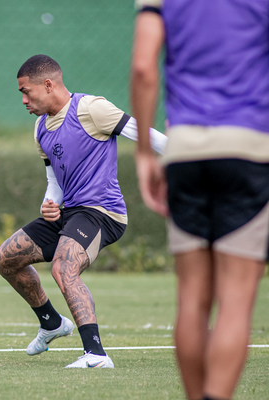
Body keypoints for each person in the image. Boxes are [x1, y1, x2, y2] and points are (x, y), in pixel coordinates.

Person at [0, 54, 166, 368]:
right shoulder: (40, 129)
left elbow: (144, 134)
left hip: (102, 212)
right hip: (68, 212)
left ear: (48, 85)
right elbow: (54, 180)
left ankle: (96, 355)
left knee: (63, 268)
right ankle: (51, 323)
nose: (23, 100)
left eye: (25, 91)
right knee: (4, 259)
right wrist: (50, 201)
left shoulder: (90, 109)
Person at [131, 1, 269, 399]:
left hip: (186, 149)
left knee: (192, 299)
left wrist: (144, 153)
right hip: (250, 147)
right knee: (236, 300)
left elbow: (143, 67)